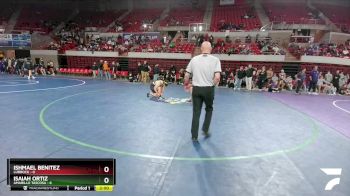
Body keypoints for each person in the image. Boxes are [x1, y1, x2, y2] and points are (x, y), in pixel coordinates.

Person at [184, 41, 221, 142]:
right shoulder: (215, 60)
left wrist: (186, 83)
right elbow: (217, 77)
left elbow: (187, 75)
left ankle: (194, 135)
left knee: (196, 112)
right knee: (209, 109)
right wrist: (211, 85)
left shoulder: (194, 59)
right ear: (211, 49)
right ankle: (205, 129)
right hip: (208, 89)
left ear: (201, 49)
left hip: (196, 89)